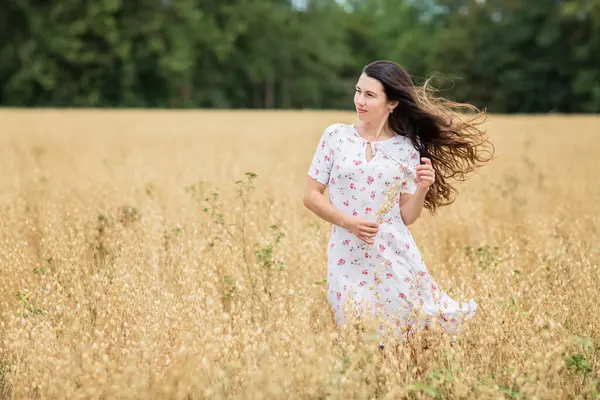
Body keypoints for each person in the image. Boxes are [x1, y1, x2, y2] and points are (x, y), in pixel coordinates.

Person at [303, 60, 494, 345]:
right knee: (356, 334)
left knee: (399, 339)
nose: (359, 100)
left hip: (393, 255)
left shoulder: (405, 149)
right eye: (358, 91)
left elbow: (406, 216)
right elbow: (311, 196)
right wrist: (348, 222)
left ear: (392, 103)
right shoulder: (335, 137)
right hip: (345, 257)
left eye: (370, 95)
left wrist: (422, 188)